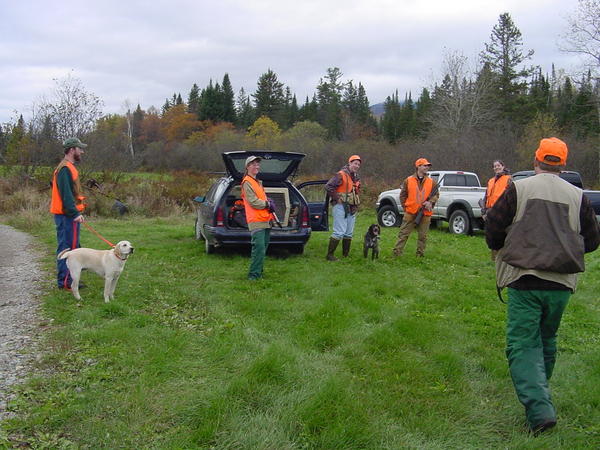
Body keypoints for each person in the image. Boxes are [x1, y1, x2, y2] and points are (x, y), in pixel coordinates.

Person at [485, 137, 600, 435]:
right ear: (562, 164)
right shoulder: (579, 196)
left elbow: (494, 228)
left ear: (536, 160)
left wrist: (504, 246)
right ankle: (540, 396)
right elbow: (592, 241)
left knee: (523, 344)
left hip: (524, 280)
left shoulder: (518, 188)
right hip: (561, 284)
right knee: (546, 340)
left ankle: (540, 410)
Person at [50, 137, 87, 289]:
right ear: (72, 150)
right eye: (80, 149)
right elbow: (66, 195)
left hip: (68, 215)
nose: (82, 151)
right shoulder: (65, 169)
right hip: (66, 217)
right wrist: (74, 214)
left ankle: (71, 279)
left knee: (73, 248)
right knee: (67, 249)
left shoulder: (68, 167)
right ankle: (66, 282)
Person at [392, 158, 439, 258]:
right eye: (424, 165)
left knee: (423, 236)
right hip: (410, 212)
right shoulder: (408, 180)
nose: (427, 167)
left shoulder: (432, 182)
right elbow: (403, 195)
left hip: (425, 213)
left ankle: (420, 255)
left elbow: (436, 195)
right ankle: (396, 254)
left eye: (427, 166)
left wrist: (430, 202)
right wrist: (406, 208)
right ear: (418, 166)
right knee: (403, 234)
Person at [241, 156, 275, 280]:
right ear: (247, 167)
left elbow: (261, 198)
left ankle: (259, 273)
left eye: (257, 164)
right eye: (253, 164)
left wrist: (268, 201)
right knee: (258, 249)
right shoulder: (247, 182)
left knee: (263, 248)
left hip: (265, 220)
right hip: (256, 221)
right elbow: (253, 202)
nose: (256, 166)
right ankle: (253, 276)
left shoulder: (257, 182)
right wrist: (267, 204)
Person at [325, 155, 362, 261]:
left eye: (358, 164)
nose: (357, 166)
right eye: (355, 163)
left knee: (349, 232)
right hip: (340, 206)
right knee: (339, 231)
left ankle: (345, 255)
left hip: (352, 207)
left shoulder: (356, 177)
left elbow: (356, 190)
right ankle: (330, 255)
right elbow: (328, 186)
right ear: (349, 163)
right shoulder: (341, 174)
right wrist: (337, 198)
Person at [482, 160, 512, 260]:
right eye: (495, 166)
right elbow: (486, 196)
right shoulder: (491, 181)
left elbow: (511, 196)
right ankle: (494, 258)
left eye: (498, 165)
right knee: (491, 234)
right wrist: (484, 211)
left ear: (503, 166)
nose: (496, 168)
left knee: (502, 234)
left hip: (502, 211)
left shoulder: (508, 179)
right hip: (490, 211)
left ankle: (503, 256)